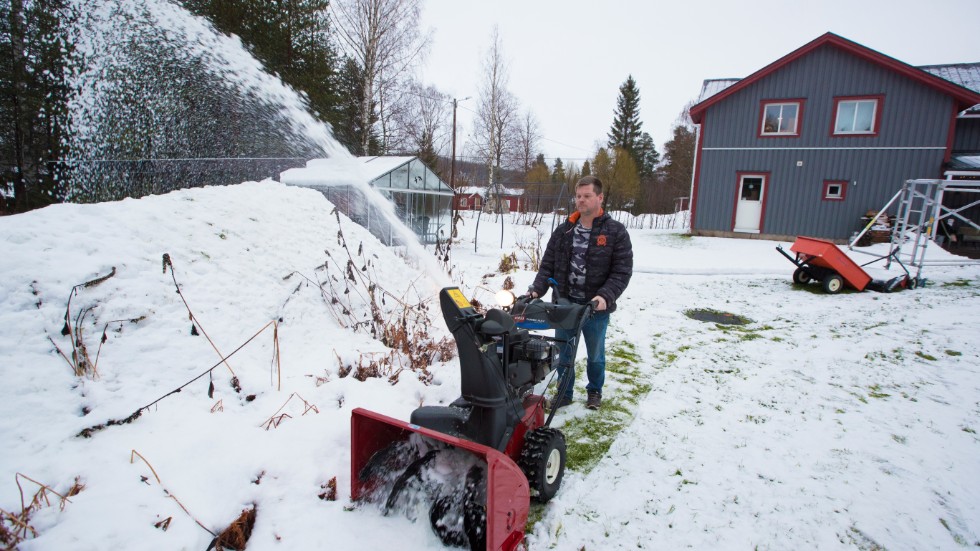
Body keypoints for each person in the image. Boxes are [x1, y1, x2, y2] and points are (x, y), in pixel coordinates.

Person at [527, 176, 633, 410]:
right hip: (564, 305)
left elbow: (622, 271)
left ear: (599, 197)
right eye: (578, 196)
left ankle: (594, 390)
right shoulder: (564, 230)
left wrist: (604, 297)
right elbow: (548, 265)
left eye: (587, 196)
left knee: (595, 354)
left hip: (595, 309)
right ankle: (564, 393)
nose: (581, 200)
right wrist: (536, 290)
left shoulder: (615, 232)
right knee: (564, 353)